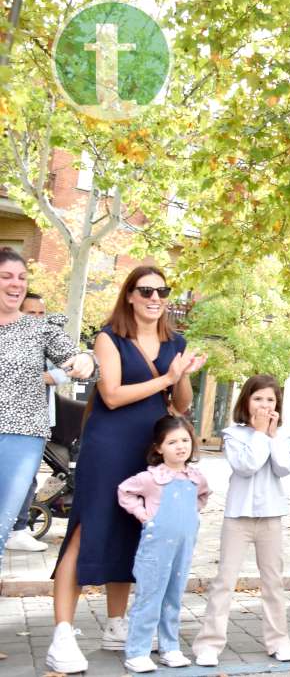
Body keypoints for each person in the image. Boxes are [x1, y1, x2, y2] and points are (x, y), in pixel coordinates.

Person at [48, 265, 205, 674]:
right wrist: (165, 379)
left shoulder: (177, 342)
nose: (155, 298)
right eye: (146, 290)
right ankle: (62, 632)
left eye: (162, 291)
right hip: (109, 444)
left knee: (135, 531)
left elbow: (182, 404)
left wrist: (182, 375)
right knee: (88, 528)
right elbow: (113, 395)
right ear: (130, 296)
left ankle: (117, 625)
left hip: (149, 450)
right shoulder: (109, 337)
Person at [193, 374, 290, 667]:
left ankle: (279, 641)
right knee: (224, 581)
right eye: (258, 398)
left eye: (270, 399)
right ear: (246, 401)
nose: (264, 405)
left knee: (273, 582)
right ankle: (209, 644)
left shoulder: (283, 436)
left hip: (271, 518)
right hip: (238, 517)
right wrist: (261, 434)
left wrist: (272, 435)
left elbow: (284, 468)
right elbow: (247, 466)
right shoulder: (233, 434)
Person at [0, 249, 95, 567]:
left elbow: (77, 356)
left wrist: (84, 360)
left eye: (22, 278)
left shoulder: (40, 329)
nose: (16, 284)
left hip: (22, 434)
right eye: (6, 277)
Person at [116, 416, 210, 672]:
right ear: (159, 448)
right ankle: (137, 651)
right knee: (150, 597)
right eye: (172, 442)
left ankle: (170, 647)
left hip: (183, 548)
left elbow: (203, 496)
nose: (180, 446)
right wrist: (145, 516)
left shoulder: (195, 477)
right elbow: (125, 491)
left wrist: (193, 513)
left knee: (174, 597)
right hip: (155, 551)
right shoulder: (151, 478)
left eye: (184, 440)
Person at [6, 292, 72, 554]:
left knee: (26, 476)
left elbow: (70, 366)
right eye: (30, 312)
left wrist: (49, 376)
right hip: (10, 419)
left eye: (40, 313)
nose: (35, 318)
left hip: (36, 420)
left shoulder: (46, 336)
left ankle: (18, 528)